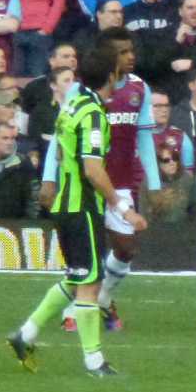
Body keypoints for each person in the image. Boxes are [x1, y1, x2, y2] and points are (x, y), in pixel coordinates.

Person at [6, 41, 146, 378]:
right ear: (111, 75)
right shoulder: (93, 113)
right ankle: (94, 361)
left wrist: (52, 183)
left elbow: (58, 150)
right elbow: (93, 169)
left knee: (76, 277)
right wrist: (122, 207)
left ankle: (25, 335)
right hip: (81, 206)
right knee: (90, 283)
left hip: (66, 205)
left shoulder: (73, 103)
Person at [47, 29, 159, 331]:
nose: (131, 56)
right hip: (89, 184)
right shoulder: (81, 93)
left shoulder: (139, 89)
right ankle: (77, 309)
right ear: (109, 58)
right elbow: (60, 137)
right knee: (89, 254)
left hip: (121, 181)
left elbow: (145, 137)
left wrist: (155, 182)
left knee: (126, 248)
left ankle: (103, 299)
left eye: (131, 50)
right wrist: (49, 178)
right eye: (123, 52)